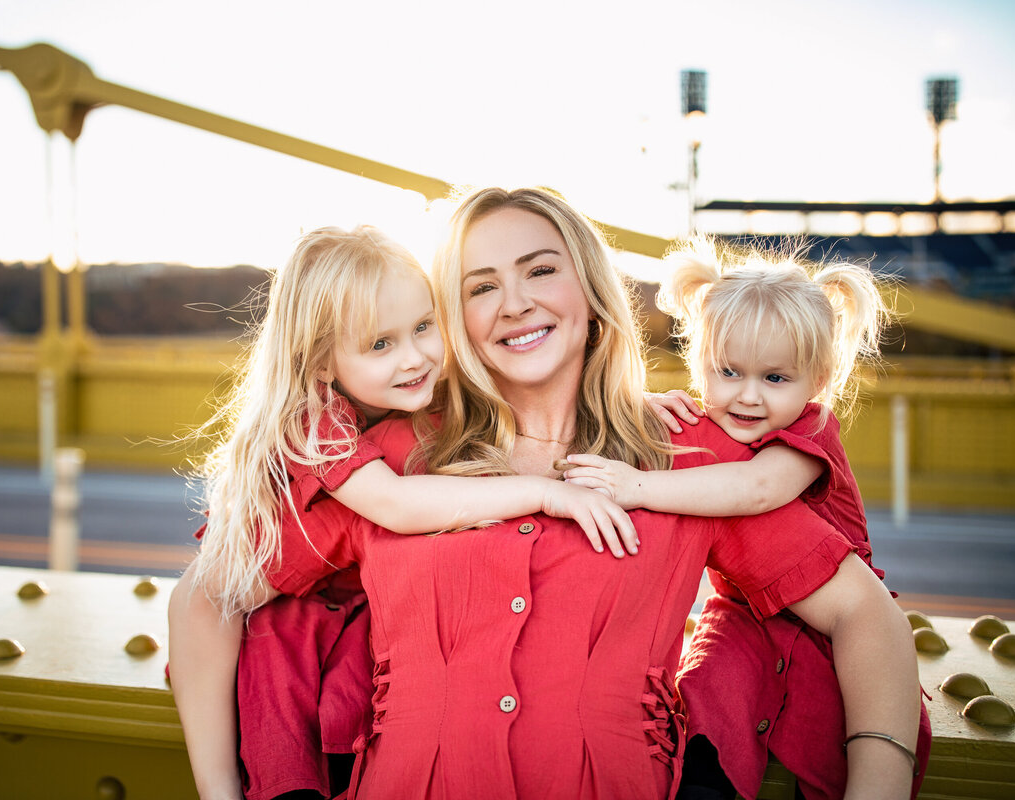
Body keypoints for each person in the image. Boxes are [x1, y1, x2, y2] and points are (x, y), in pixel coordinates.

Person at [170, 188, 921, 800]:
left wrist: (877, 783)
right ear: (452, 317)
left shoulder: (689, 458)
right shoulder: (389, 464)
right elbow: (211, 596)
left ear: (592, 291)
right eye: (481, 287)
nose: (515, 303)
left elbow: (862, 613)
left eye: (539, 271)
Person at [169, 224, 651, 800]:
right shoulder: (314, 420)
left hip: (347, 593)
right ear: (322, 365)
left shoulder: (424, 390)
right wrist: (545, 490)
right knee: (256, 669)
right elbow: (396, 506)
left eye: (424, 327)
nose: (415, 356)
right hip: (243, 601)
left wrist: (638, 405)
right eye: (380, 345)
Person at [559, 236, 931, 799]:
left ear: (819, 382)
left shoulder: (809, 429)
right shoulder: (708, 419)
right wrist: (640, 404)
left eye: (775, 379)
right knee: (705, 697)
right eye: (728, 372)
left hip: (820, 628)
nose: (748, 397)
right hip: (742, 615)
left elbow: (755, 489)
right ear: (699, 366)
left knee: (828, 727)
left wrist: (637, 485)